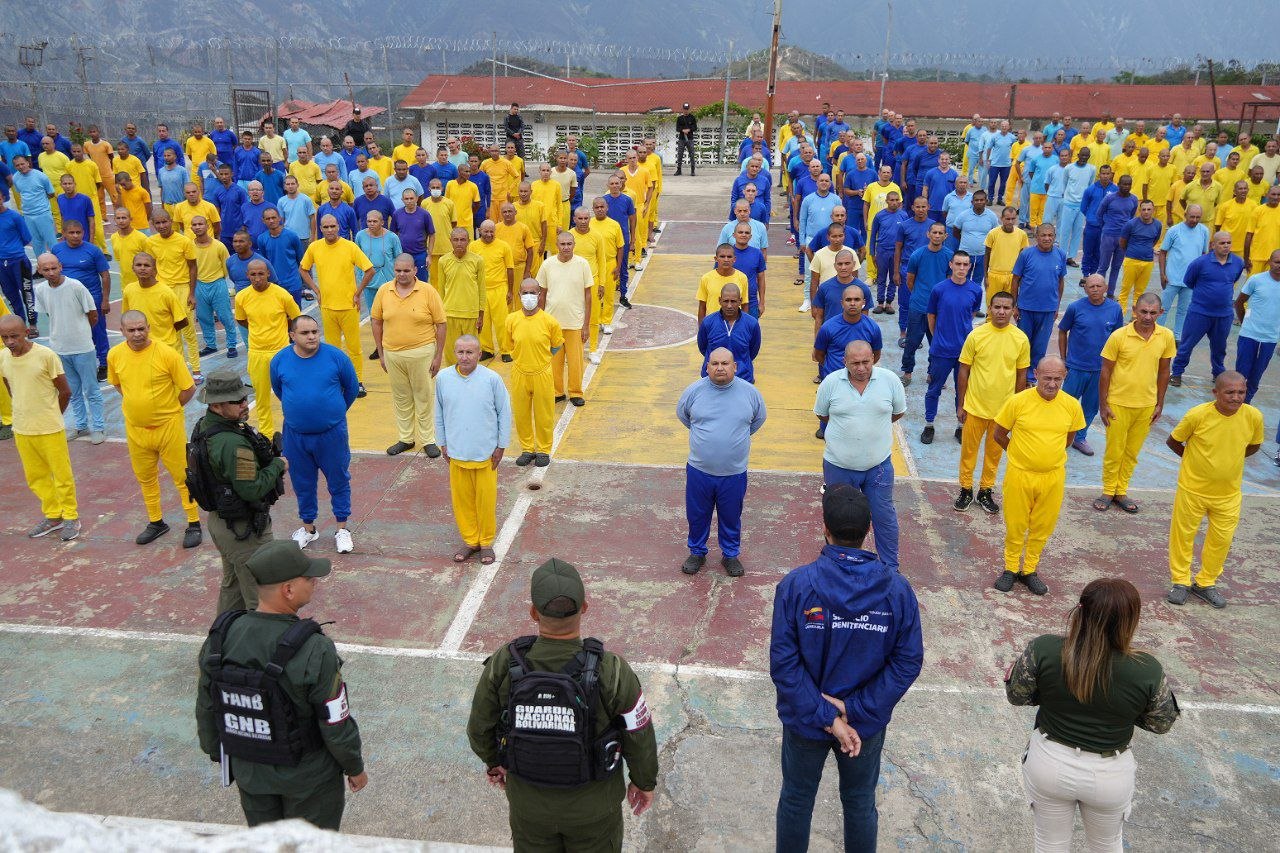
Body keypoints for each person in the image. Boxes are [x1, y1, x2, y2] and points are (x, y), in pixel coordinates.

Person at [770, 483, 923, 852]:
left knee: (796, 799)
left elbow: (785, 665)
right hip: (864, 726)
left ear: (825, 526)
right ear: (869, 530)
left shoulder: (796, 586)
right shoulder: (897, 591)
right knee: (859, 802)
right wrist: (852, 711)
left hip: (806, 718)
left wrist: (828, 715)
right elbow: (907, 662)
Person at [466, 557, 657, 851]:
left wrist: (496, 764)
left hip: (530, 807)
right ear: (584, 607)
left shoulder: (506, 661)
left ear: (533, 612)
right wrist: (644, 782)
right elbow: (639, 733)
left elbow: (479, 728)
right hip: (594, 810)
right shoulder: (612, 669)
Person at [196, 539, 367, 829]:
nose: (314, 582)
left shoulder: (221, 638)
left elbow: (208, 705)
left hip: (251, 773)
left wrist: (220, 752)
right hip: (309, 781)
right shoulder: (315, 649)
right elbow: (335, 723)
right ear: (288, 590)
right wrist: (355, 767)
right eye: (308, 578)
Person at [1005, 577, 1179, 851]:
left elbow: (1017, 695)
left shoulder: (1044, 649)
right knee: (1107, 846)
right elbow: (1161, 723)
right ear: (1131, 619)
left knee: (1049, 845)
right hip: (1109, 774)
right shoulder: (1147, 668)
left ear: (1080, 610)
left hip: (1049, 763)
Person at [1166, 372, 1264, 609]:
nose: (1236, 397)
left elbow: (1254, 445)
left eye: (1241, 392)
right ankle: (1180, 581)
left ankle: (1206, 582)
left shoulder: (1253, 416)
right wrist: (1195, 463)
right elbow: (1173, 441)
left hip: (1228, 494)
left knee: (1221, 540)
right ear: (1215, 393)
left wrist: (1228, 463)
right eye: (1230, 392)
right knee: (1183, 537)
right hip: (1193, 490)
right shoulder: (1197, 415)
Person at [194, 367, 288, 613]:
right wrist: (278, 466)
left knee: (233, 588)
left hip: (223, 524)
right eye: (237, 401)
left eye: (245, 398)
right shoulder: (233, 443)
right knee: (264, 598)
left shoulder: (207, 426)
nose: (245, 404)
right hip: (244, 532)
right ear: (216, 406)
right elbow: (251, 489)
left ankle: (221, 642)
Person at [108, 310, 202, 548]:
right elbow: (119, 385)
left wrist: (167, 409)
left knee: (183, 477)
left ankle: (193, 522)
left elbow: (188, 388)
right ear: (123, 332)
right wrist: (137, 406)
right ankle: (156, 521)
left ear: (149, 327)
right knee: (145, 478)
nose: (137, 334)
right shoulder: (115, 355)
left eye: (141, 328)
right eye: (132, 330)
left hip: (168, 427)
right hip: (136, 430)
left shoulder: (167, 354)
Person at [993, 356, 1084, 596]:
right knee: (1016, 524)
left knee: (1042, 527)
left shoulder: (1072, 405)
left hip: (1053, 477)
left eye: (1058, 379)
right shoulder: (1018, 402)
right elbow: (999, 434)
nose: (1052, 384)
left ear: (1064, 378)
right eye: (1047, 378)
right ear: (1036, 374)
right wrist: (1020, 454)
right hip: (1019, 475)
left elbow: (1069, 438)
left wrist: (1047, 457)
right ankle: (1010, 568)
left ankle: (1029, 570)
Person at [270, 312, 360, 555]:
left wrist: (333, 413)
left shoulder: (336, 357)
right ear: (292, 336)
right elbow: (279, 389)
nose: (312, 336)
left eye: (314, 331)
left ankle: (342, 529)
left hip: (332, 435)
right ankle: (308, 529)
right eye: (305, 333)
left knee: (339, 480)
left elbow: (351, 389)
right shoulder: (279, 361)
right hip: (296, 436)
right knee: (302, 483)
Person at [676, 347, 766, 577]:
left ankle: (730, 554)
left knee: (731, 515)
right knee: (697, 514)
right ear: (707, 367)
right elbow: (684, 415)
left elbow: (757, 420)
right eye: (714, 363)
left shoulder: (750, 393)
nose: (720, 368)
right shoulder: (694, 391)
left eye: (725, 363)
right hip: (699, 471)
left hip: (733, 472)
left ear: (735, 367)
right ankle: (697, 551)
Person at [815, 340, 906, 568]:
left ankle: (889, 568)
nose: (861, 368)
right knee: (839, 519)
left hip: (878, 467)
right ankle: (840, 566)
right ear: (844, 361)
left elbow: (896, 413)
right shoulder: (830, 383)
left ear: (874, 358)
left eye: (866, 362)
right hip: (838, 466)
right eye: (855, 363)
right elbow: (823, 415)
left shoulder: (891, 381)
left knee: (884, 517)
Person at [0, 313, 79, 540]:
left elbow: (65, 392)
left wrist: (53, 414)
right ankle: (54, 515)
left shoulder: (46, 356)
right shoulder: (3, 358)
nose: (9, 342)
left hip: (49, 428)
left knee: (62, 475)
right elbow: (9, 385)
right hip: (22, 429)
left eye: (14, 336)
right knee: (36, 476)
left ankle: (72, 516)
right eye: (4, 337)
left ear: (26, 333)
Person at [1094, 293, 1175, 515]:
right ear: (1134, 311)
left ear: (1161, 312)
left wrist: (1159, 403)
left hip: (1146, 406)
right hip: (1118, 404)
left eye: (1152, 312)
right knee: (1114, 450)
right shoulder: (1119, 336)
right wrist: (1103, 404)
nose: (1148, 317)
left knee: (1131, 452)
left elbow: (1165, 371)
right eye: (1143, 312)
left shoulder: (1166, 336)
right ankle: (1108, 490)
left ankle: (1121, 491)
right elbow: (1106, 371)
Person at [435, 335, 511, 563]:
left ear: (479, 354)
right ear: (454, 353)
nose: (465, 357)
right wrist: (443, 442)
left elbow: (504, 413)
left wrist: (501, 446)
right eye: (460, 352)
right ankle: (470, 540)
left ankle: (486, 542)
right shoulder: (443, 378)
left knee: (485, 502)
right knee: (462, 501)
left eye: (470, 352)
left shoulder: (492, 379)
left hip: (486, 455)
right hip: (457, 453)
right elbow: (438, 413)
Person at [955, 291, 1031, 514]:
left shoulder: (1020, 339)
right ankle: (966, 489)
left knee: (994, 454)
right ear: (989, 308)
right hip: (975, 407)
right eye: (997, 307)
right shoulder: (976, 335)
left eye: (1006, 308)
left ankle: (986, 490)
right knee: (968, 452)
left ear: (1013, 310)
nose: (1001, 311)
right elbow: (964, 370)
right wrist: (961, 404)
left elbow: (1021, 376)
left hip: (1003, 412)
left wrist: (1017, 410)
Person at [372, 254, 446, 457]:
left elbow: (441, 324)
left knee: (423, 396)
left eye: (406, 270)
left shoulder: (427, 291)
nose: (402, 274)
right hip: (393, 353)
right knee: (401, 397)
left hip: (422, 352)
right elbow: (377, 321)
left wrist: (438, 356)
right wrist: (381, 352)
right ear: (393, 270)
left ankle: (428, 440)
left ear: (415, 270)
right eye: (398, 271)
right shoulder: (383, 291)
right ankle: (406, 438)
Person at [299, 215, 375, 396]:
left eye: (333, 226)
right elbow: (303, 269)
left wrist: (358, 293)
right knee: (332, 348)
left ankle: (357, 381)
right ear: (321, 228)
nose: (330, 230)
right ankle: (336, 380)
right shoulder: (314, 247)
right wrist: (316, 290)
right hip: (327, 307)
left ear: (339, 226)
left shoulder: (350, 247)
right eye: (326, 227)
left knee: (354, 347)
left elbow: (369, 270)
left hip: (348, 306)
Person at [33, 253, 103, 443]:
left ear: (61, 266)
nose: (51, 272)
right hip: (59, 348)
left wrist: (81, 333)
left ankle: (98, 427)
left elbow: (93, 314)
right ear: (39, 270)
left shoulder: (75, 286)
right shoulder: (40, 290)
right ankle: (81, 426)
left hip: (82, 347)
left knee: (91, 389)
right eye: (45, 269)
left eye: (54, 268)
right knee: (72, 390)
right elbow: (49, 313)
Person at [1058, 274, 1124, 457]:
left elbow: (1119, 339)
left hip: (1101, 370)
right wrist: (1064, 360)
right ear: (1085, 289)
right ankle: (1060, 434)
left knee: (1090, 407)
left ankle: (1080, 437)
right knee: (1066, 404)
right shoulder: (1075, 308)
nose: (1095, 289)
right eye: (1091, 286)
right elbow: (1063, 331)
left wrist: (1115, 366)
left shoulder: (1115, 309)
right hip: (1076, 367)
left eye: (1098, 286)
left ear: (1105, 288)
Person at [234, 260, 301, 436]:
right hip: (257, 353)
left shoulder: (282, 295)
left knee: (290, 395)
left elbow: (296, 318)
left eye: (261, 274)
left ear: (268, 274)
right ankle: (267, 435)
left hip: (281, 352)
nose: (257, 278)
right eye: (253, 275)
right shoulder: (242, 297)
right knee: (262, 398)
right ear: (247, 275)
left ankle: (293, 431)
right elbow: (241, 320)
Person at [1170, 232, 1245, 386]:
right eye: (1222, 243)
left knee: (1219, 347)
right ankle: (1176, 373)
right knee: (1187, 344)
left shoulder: (1238, 263)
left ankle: (1217, 375)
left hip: (1224, 315)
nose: (1226, 246)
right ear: (1213, 245)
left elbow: (1234, 279)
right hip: (1199, 312)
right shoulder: (1200, 263)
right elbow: (1189, 281)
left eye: (1228, 243)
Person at [923, 252, 982, 443]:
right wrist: (939, 337)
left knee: (962, 390)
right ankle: (929, 424)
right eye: (958, 264)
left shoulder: (975, 290)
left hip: (965, 352)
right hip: (941, 351)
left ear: (970, 267)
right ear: (951, 264)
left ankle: (960, 426)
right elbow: (931, 317)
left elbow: (970, 314)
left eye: (966, 264)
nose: (962, 268)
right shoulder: (939, 290)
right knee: (934, 389)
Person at [538, 230, 592, 406]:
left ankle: (576, 392)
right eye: (563, 244)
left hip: (575, 323)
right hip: (552, 324)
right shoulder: (547, 265)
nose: (566, 247)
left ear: (574, 245)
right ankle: (557, 391)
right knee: (554, 361)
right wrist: (540, 321)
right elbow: (542, 294)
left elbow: (588, 295)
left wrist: (586, 325)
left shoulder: (583, 264)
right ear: (557, 245)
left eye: (569, 244)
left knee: (576, 362)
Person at [146, 210, 202, 380]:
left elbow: (193, 267)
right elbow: (152, 267)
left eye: (165, 222)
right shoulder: (150, 242)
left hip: (182, 288)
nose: (162, 226)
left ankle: (197, 370)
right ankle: (180, 368)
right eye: (158, 223)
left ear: (171, 221)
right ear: (153, 225)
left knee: (188, 330)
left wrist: (192, 293)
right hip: (163, 290)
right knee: (172, 332)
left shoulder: (184, 241)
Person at [1011, 224, 1067, 383]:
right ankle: (1018, 376)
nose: (1047, 238)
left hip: (1048, 310)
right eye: (1043, 235)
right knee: (1023, 344)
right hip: (1026, 309)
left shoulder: (1060, 255)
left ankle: (1031, 379)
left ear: (1055, 237)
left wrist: (1056, 306)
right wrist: (1015, 305)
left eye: (1050, 235)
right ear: (1036, 236)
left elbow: (1060, 281)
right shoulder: (1026, 254)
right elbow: (1015, 280)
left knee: (1040, 347)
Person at [900, 222, 953, 385]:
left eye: (940, 233)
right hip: (918, 307)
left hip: (939, 310)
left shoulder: (950, 256)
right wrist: (920, 295)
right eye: (934, 232)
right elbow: (910, 281)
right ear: (928, 234)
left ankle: (933, 374)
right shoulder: (917, 255)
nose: (937, 235)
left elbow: (949, 281)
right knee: (912, 342)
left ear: (946, 236)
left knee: (936, 344)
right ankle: (907, 373)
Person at [1157, 204, 1210, 341]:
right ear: (1185, 214)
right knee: (1163, 308)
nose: (1194, 220)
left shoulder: (1204, 231)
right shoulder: (1174, 230)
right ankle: (1158, 334)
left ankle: (1177, 337)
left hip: (1191, 281)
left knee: (1183, 311)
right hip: (1172, 278)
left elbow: (1204, 255)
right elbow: (1162, 253)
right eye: (1192, 216)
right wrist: (1162, 274)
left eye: (1198, 217)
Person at [1234, 249, 1280, 403]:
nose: (1279, 265)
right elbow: (1239, 303)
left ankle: (1245, 404)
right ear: (1269, 262)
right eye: (1277, 262)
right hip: (1249, 336)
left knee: (1255, 377)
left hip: (1270, 339)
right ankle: (1235, 404)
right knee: (1241, 375)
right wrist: (1245, 322)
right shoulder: (1256, 280)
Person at [189, 215, 238, 358]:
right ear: (191, 228)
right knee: (203, 317)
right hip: (199, 285)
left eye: (200, 224)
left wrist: (218, 279)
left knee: (225, 316)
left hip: (218, 284)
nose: (197, 227)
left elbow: (226, 266)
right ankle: (210, 345)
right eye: (194, 224)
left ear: (207, 226)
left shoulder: (219, 246)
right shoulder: (189, 246)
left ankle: (231, 345)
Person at [697, 283, 761, 384]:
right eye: (726, 301)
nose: (729, 305)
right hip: (712, 381)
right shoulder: (708, 322)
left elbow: (753, 351)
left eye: (733, 301)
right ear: (719, 300)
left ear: (740, 301)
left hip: (743, 380)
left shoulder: (752, 324)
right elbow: (703, 348)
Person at [471, 219, 516, 360]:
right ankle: (486, 349)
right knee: (483, 322)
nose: (489, 234)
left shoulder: (504, 246)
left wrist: (510, 290)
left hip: (499, 289)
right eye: (486, 231)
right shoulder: (472, 247)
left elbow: (510, 269)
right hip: (481, 290)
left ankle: (506, 350)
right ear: (479, 231)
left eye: (492, 231)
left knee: (502, 322)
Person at [1116, 200, 1163, 316]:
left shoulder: (1158, 225)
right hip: (1131, 261)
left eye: (1149, 209)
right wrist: (1132, 251)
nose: (1146, 212)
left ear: (1153, 210)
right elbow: (1122, 242)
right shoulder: (1131, 224)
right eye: (1143, 209)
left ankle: (1135, 316)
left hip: (1148, 262)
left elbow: (1155, 240)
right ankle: (1120, 314)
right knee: (1125, 290)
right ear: (1139, 210)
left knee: (1139, 291)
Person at [675, 102, 698, 175]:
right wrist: (682, 130)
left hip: (690, 139)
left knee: (691, 154)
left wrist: (689, 130)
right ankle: (679, 170)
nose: (686, 111)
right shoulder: (680, 118)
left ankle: (692, 170)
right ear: (683, 109)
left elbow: (695, 127)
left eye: (687, 109)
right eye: (685, 109)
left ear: (689, 109)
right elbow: (677, 128)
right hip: (682, 139)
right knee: (680, 154)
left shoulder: (692, 117)